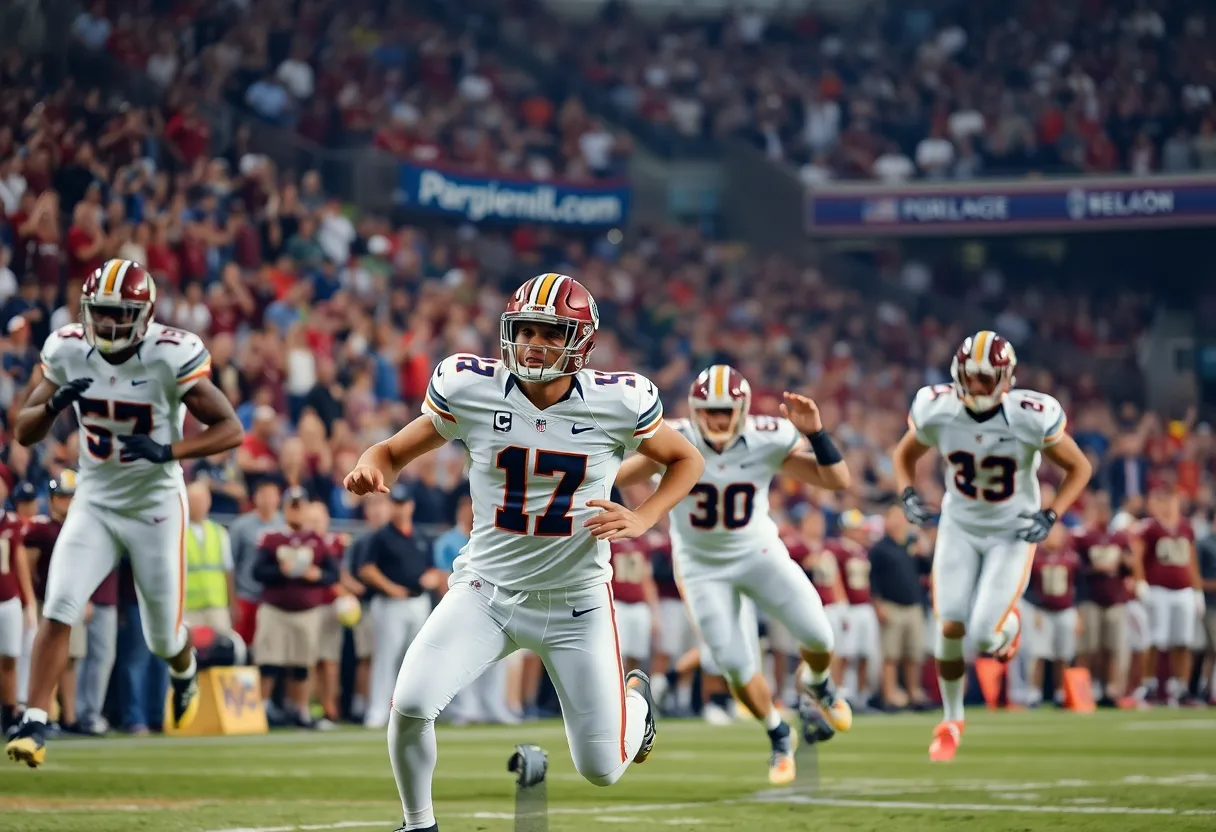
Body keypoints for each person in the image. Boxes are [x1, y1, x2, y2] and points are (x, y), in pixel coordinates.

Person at [343, 273, 704, 832]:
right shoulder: (471, 388)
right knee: (411, 703)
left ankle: (636, 706)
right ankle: (419, 826)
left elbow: (686, 460)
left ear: (579, 342)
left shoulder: (619, 400)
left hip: (575, 603)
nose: (534, 344)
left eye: (551, 333)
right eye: (526, 330)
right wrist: (372, 465)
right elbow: (391, 449)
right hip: (485, 592)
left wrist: (645, 516)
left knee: (603, 770)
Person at [6, 259, 244, 768]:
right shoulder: (69, 347)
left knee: (162, 636)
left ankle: (184, 670)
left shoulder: (169, 354)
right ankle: (34, 719)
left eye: (120, 315)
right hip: (95, 496)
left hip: (155, 502)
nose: (108, 325)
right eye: (101, 313)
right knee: (60, 603)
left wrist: (169, 452)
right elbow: (23, 430)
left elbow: (230, 428)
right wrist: (51, 408)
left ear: (144, 315)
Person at [616, 364, 852, 786]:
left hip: (758, 552)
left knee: (820, 636)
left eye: (726, 411)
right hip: (701, 567)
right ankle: (779, 733)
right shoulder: (677, 436)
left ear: (742, 409)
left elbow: (836, 480)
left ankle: (816, 681)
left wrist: (815, 433)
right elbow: (616, 476)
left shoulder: (767, 436)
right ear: (694, 409)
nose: (719, 420)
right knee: (734, 664)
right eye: (710, 411)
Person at [893, 330, 1092, 762]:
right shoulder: (938, 408)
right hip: (960, 526)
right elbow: (904, 455)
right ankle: (951, 718)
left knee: (984, 634)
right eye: (971, 376)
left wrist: (1051, 513)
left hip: (1011, 532)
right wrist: (907, 492)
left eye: (986, 378)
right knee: (948, 627)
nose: (978, 386)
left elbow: (1078, 467)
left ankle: (1009, 628)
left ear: (1006, 378)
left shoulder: (1030, 415)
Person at [252, 487, 341, 728]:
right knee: (269, 662)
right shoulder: (272, 538)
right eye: (292, 506)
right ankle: (262, 707)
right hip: (275, 608)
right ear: (284, 509)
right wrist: (278, 571)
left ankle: (299, 708)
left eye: (299, 506)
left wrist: (317, 574)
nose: (296, 511)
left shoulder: (317, 540)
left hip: (306, 610)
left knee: (302, 664)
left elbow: (333, 574)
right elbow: (257, 572)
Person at [359, 482, 444, 730]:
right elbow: (366, 569)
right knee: (386, 658)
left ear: (411, 506)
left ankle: (411, 711)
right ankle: (377, 711)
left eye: (403, 504)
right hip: (390, 603)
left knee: (415, 659)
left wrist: (432, 577)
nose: (400, 509)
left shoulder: (419, 536)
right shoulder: (381, 536)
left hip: (417, 601)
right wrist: (389, 587)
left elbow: (432, 568)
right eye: (395, 504)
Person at [1131, 488, 1203, 705]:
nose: (1170, 506)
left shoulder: (1185, 527)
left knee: (1183, 641)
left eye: (1173, 501)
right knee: (1155, 639)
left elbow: (1191, 560)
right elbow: (1137, 556)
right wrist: (1140, 582)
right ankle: (1148, 685)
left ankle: (1181, 687)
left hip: (1183, 590)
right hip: (1158, 590)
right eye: (1166, 501)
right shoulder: (1150, 527)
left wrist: (1197, 589)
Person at [0, 508, 35, 735]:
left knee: (10, 657)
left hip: (7, 597)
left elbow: (20, 562)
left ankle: (9, 714)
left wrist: (29, 601)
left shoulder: (9, 521)